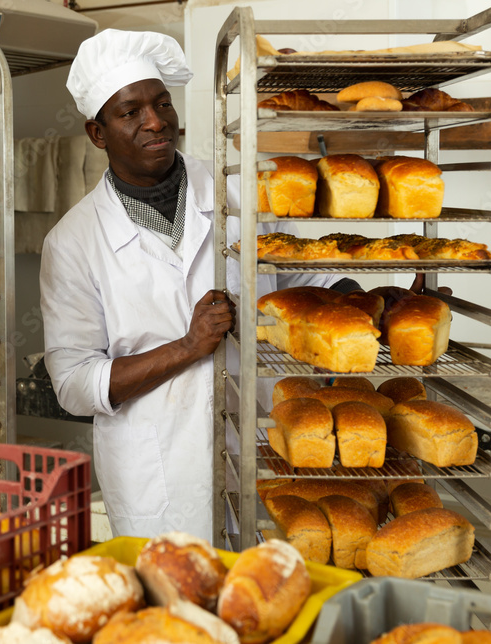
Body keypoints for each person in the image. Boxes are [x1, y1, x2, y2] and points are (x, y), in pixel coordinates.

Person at [39, 29, 361, 542]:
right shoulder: (72, 242)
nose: (156, 121)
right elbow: (75, 384)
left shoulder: (239, 190)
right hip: (159, 474)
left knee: (268, 600)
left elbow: (302, 280)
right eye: (130, 112)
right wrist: (188, 347)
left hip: (264, 442)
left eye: (162, 102)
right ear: (97, 133)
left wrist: (371, 300)